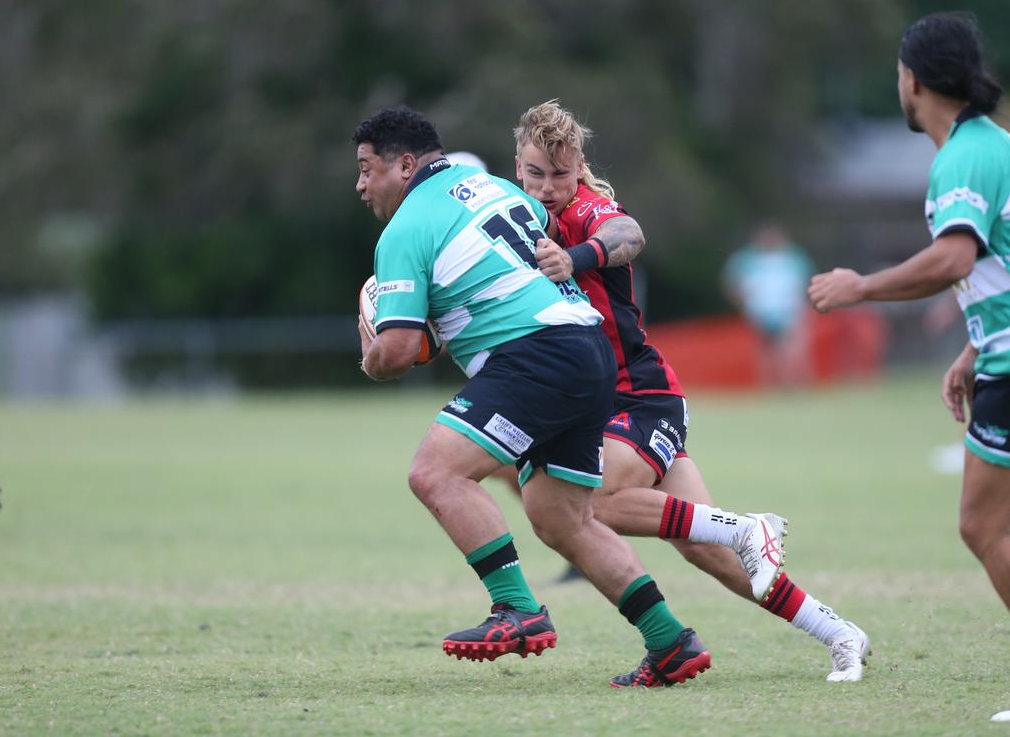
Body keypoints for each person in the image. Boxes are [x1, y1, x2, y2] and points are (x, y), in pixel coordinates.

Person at [354, 105, 717, 688]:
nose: (361, 184)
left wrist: (372, 350)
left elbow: (396, 353)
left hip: (536, 355)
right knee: (560, 515)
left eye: (367, 168)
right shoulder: (494, 188)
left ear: (403, 165)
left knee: (435, 473)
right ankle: (670, 642)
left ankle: (516, 610)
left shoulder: (404, 230)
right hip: (587, 347)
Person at [512, 99, 870, 682]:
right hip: (596, 409)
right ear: (518, 169)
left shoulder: (586, 211)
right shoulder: (520, 221)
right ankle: (839, 631)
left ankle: (745, 527)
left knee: (591, 503)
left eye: (560, 173)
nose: (549, 187)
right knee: (712, 554)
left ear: (579, 167)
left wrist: (573, 259)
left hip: (640, 398)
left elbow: (628, 233)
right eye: (535, 173)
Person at [808, 14, 1009, 714]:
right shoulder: (986, 147)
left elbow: (955, 257)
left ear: (913, 79)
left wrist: (862, 286)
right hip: (1000, 356)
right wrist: (972, 348)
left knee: (984, 528)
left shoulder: (964, 156)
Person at [723, 222, 815, 387]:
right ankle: (770, 387)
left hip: (790, 311)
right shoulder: (746, 259)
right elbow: (733, 284)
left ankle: (796, 385)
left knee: (792, 350)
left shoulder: (794, 257)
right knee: (765, 352)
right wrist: (745, 305)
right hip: (760, 312)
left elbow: (807, 282)